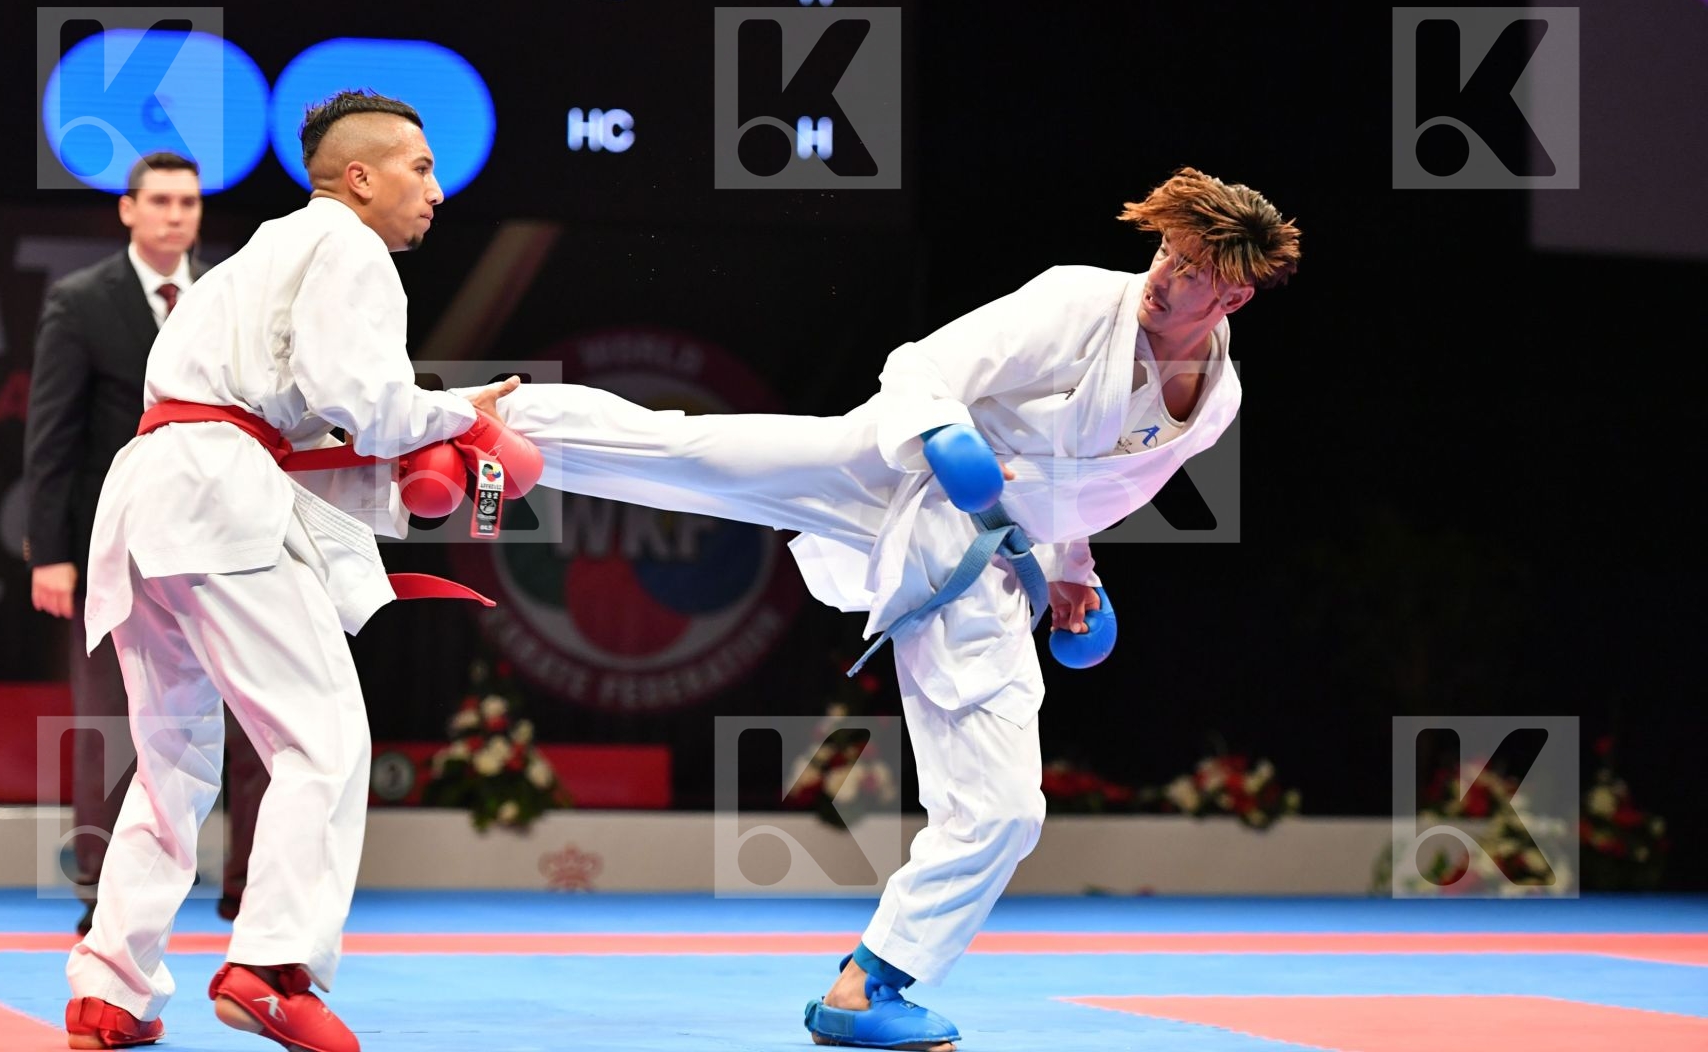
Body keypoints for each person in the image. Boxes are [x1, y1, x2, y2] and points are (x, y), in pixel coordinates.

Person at [482, 167, 1301, 1050]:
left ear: (1235, 296)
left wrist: (1073, 568)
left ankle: (871, 982)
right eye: (1166, 254)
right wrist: (946, 434)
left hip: (972, 556)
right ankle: (474, 421)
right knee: (694, 451)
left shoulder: (1216, 404)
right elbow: (926, 366)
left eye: (1190, 272)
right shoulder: (1078, 302)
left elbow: (1085, 489)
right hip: (894, 467)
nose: (1164, 278)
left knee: (1005, 812)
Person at [62, 91, 520, 1052]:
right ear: (360, 177)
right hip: (215, 500)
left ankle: (113, 988)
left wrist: (427, 418)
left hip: (152, 496)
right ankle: (271, 964)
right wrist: (459, 418)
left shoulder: (261, 252)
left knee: (175, 761)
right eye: (422, 169)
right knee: (325, 737)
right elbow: (365, 402)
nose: (437, 190)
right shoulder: (352, 249)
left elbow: (306, 427)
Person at [24, 151, 267, 936]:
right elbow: (51, 439)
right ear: (128, 210)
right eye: (160, 200)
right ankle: (102, 893)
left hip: (227, 538)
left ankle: (255, 889)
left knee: (258, 715)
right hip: (115, 545)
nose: (176, 214)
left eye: (189, 202)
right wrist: (49, 553)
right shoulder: (81, 302)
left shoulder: (234, 294)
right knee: (108, 721)